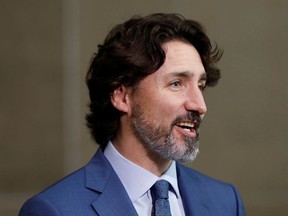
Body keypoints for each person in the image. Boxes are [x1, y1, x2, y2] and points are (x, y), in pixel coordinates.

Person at [19, 13, 245, 216]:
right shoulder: (54, 210)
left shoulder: (226, 202)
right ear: (122, 96)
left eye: (201, 86)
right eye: (177, 83)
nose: (200, 105)